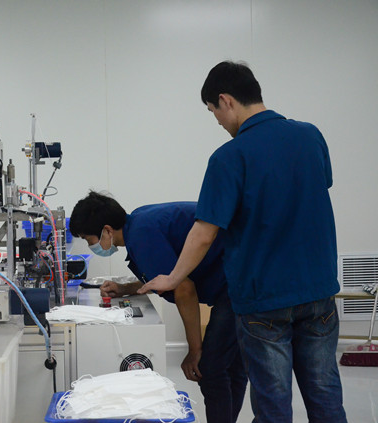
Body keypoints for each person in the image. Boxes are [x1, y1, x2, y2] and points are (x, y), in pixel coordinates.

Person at [138, 61, 347, 422]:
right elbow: (316, 188)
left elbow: (204, 232)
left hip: (264, 301)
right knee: (325, 397)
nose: (218, 121)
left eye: (213, 112)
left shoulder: (229, 156)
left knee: (273, 406)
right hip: (319, 293)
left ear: (226, 100)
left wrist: (172, 278)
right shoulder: (310, 135)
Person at [69, 192, 247, 423]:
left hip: (239, 281)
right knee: (231, 366)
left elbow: (184, 289)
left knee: (210, 368)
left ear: (107, 230)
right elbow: (165, 275)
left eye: (88, 239)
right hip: (239, 273)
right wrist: (126, 289)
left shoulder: (141, 235)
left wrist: (194, 350)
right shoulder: (138, 222)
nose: (90, 245)